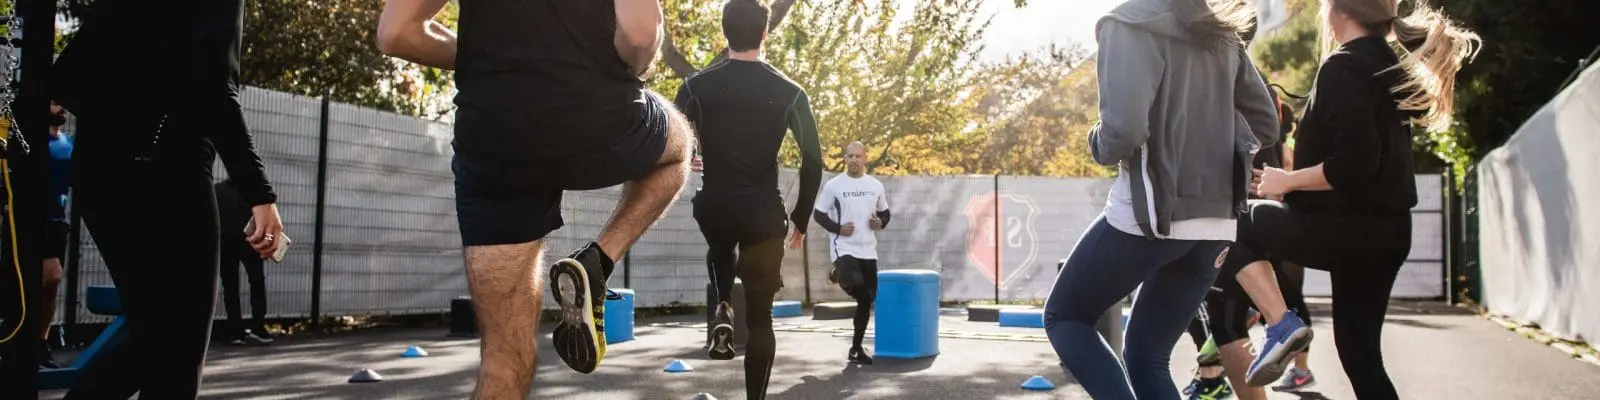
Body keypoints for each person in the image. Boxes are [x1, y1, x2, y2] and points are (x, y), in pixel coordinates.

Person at [377, 0, 693, 397]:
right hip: (596, 114)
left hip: (495, 135)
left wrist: (489, 58)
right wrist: (639, 63)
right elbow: (641, 33)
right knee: (679, 146)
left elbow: (396, 33)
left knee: (502, 352)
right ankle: (598, 260)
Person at [1218, 0, 1481, 397]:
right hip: (1387, 232)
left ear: (1338, 12)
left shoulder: (1344, 66)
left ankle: (1280, 322)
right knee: (1360, 357)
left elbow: (1354, 164)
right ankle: (1282, 323)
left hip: (1345, 229)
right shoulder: (1387, 63)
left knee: (1230, 225)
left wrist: (1285, 181)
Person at [1039, 0, 1279, 398]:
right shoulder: (1222, 32)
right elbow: (1266, 125)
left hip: (1150, 217)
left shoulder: (1126, 24)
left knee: (1066, 315)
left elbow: (1124, 131)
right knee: (1147, 356)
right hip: (1216, 222)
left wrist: (1096, 143)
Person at [50, 0, 287, 397]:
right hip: (170, 172)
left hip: (99, 173)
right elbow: (216, 90)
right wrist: (260, 195)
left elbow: (68, 78)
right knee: (179, 342)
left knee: (155, 334)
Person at [675, 0, 824, 397]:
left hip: (716, 204)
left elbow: (673, 141)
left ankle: (723, 301)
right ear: (765, 32)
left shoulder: (694, 85)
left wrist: (690, 157)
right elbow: (814, 162)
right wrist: (802, 218)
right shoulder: (791, 92)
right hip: (763, 211)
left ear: (724, 32)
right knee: (761, 321)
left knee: (721, 243)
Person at [813, 142, 891, 366]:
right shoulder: (834, 186)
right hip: (844, 247)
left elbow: (885, 212)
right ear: (845, 159)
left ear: (865, 158)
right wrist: (837, 229)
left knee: (868, 299)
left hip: (868, 249)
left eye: (858, 156)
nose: (854, 160)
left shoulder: (875, 185)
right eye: (850, 156)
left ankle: (856, 348)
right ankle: (841, 272)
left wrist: (880, 222)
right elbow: (819, 215)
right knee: (860, 292)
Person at [36, 102, 72, 369]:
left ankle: (39, 344)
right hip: (34, 223)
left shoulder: (68, 144)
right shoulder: (28, 143)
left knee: (51, 289)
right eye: (55, 103)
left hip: (58, 223)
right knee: (51, 276)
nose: (61, 108)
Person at [215, 178, 273, 346]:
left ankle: (236, 332)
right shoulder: (254, 190)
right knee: (257, 283)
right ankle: (257, 328)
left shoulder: (217, 191)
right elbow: (265, 220)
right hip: (251, 245)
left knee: (230, 288)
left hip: (226, 245)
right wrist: (268, 242)